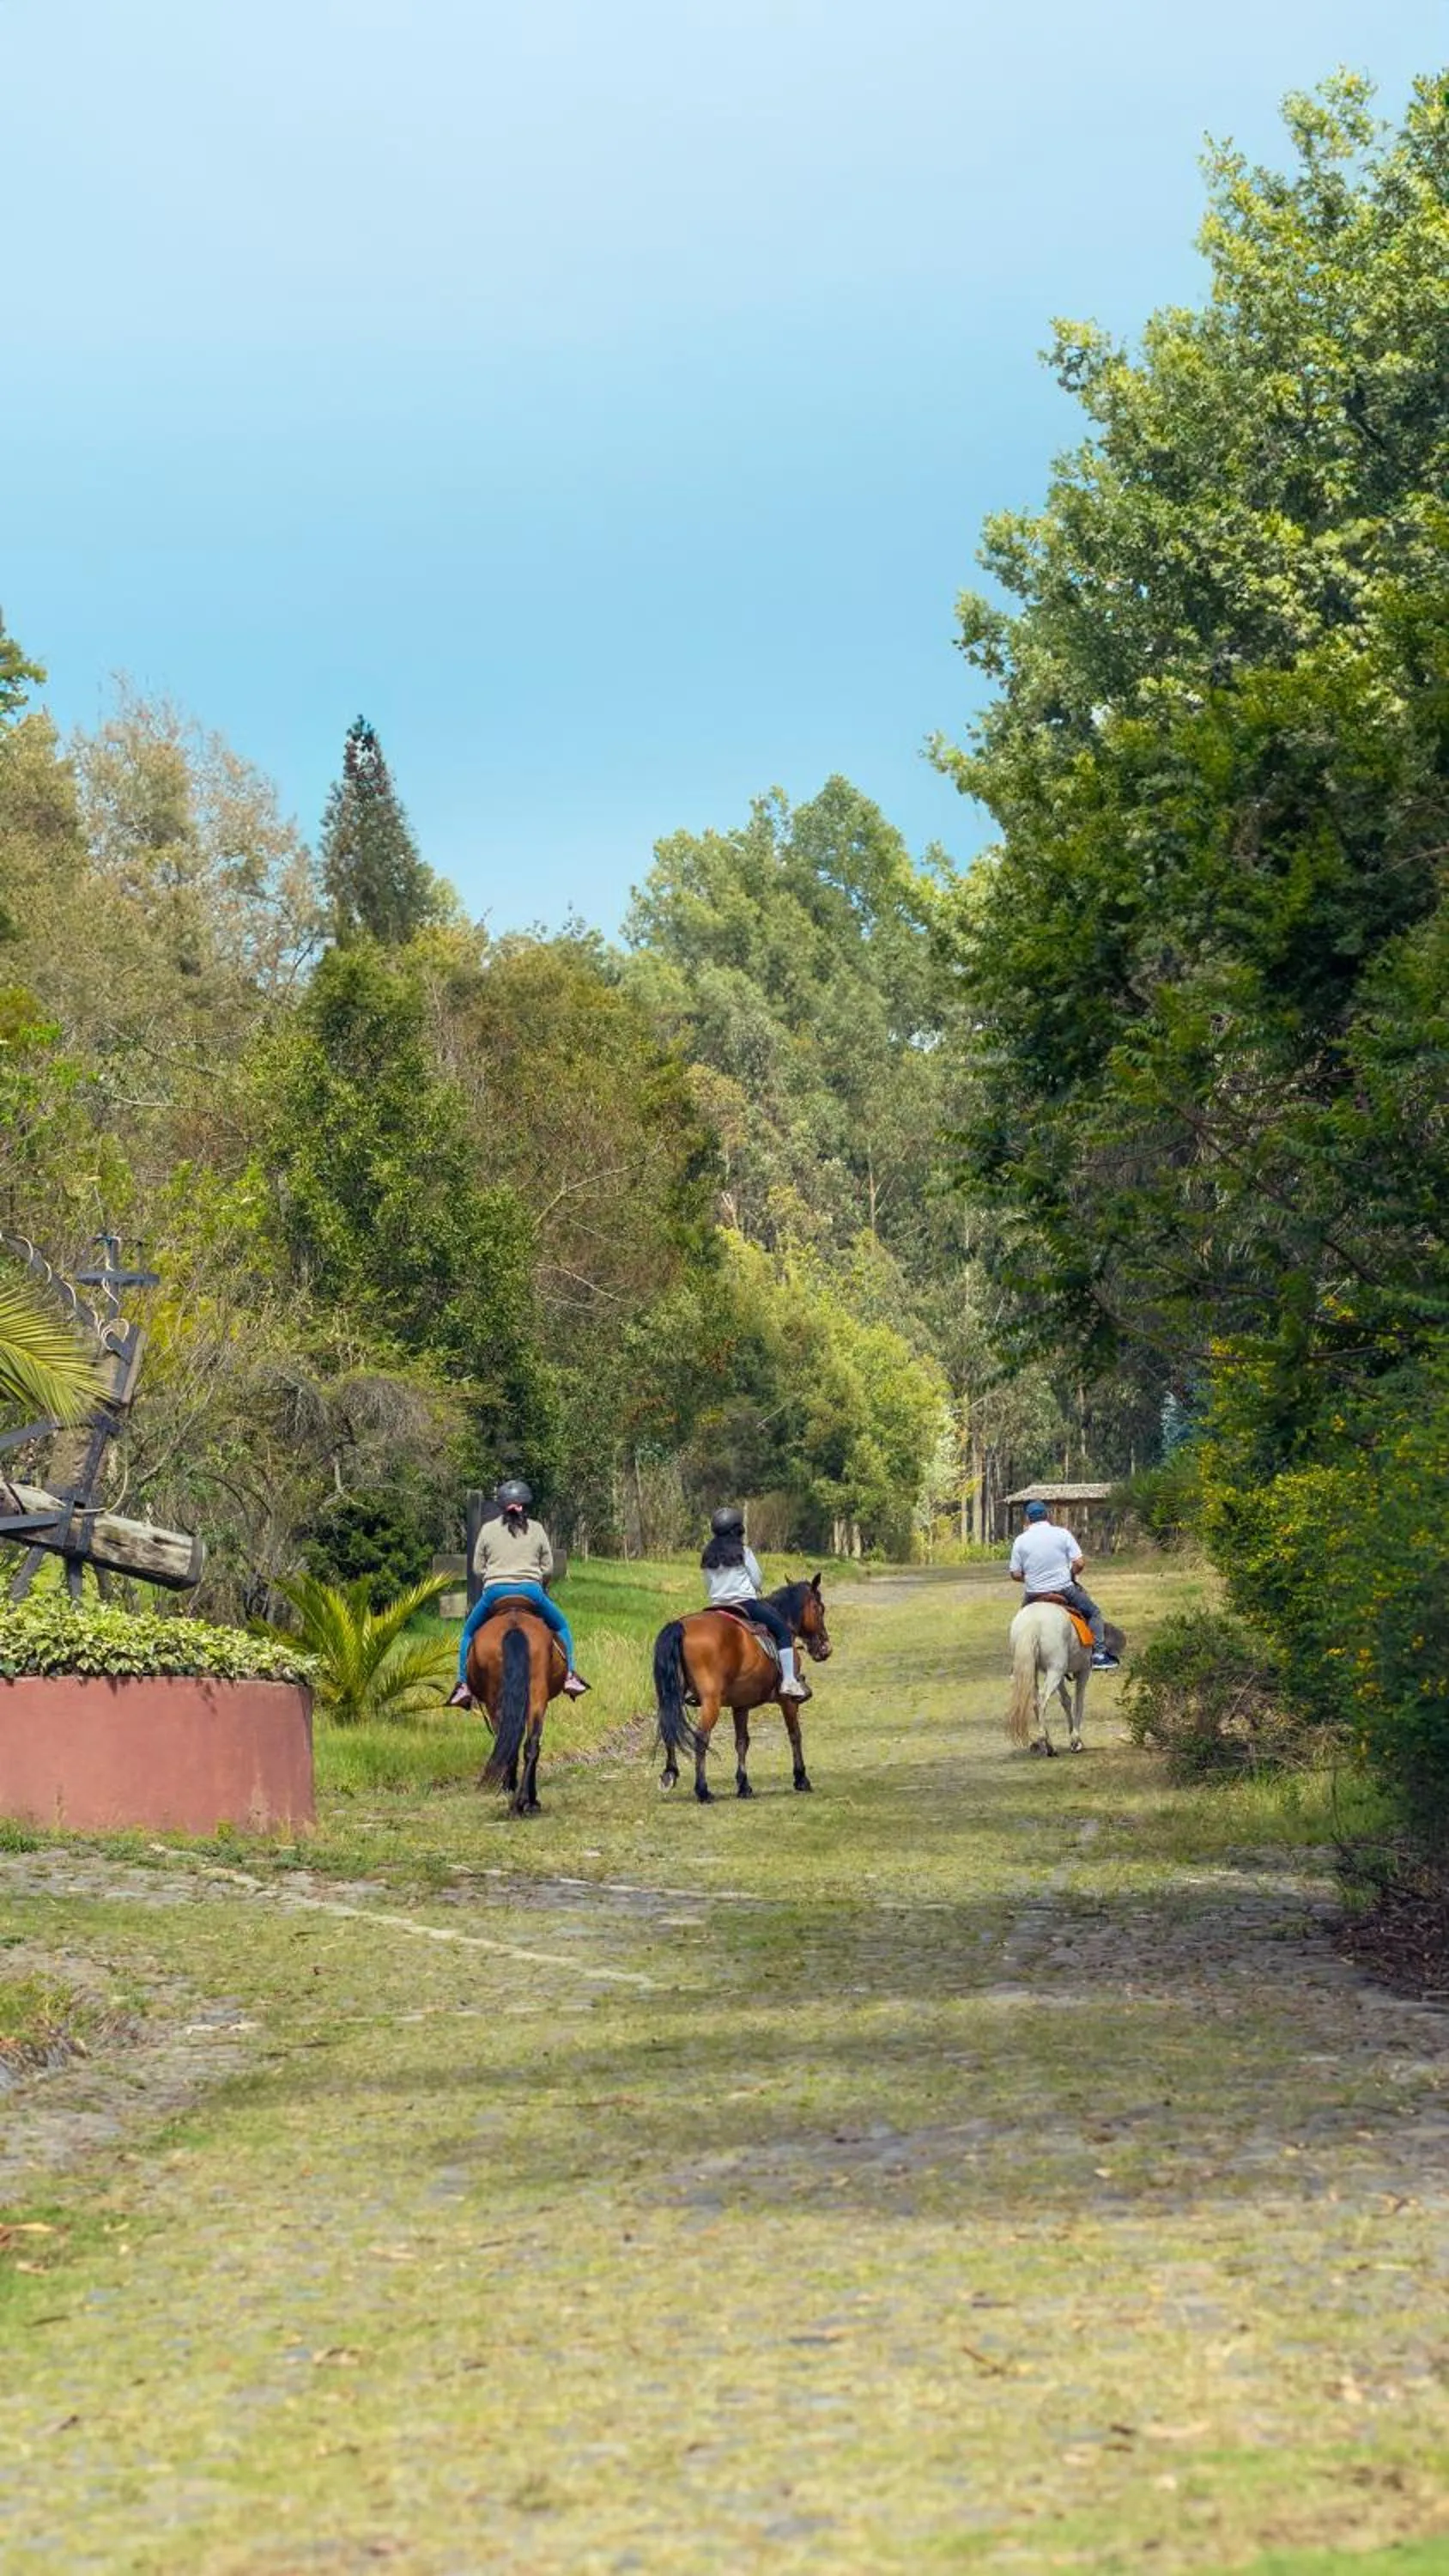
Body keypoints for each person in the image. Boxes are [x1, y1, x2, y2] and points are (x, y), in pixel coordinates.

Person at [447, 1479, 589, 1706]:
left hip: (495, 1594)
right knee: (562, 1626)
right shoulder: (537, 1529)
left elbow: (476, 1568)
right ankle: (570, 1676)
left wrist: (493, 1576)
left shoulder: (487, 1529)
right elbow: (549, 1568)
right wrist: (538, 1578)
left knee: (467, 1632)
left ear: (502, 1506)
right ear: (526, 1504)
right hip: (531, 1592)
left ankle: (463, 1685)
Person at [700, 1506, 808, 1698]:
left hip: (715, 1607)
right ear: (737, 1529)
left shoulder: (707, 1555)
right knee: (782, 1630)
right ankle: (789, 1681)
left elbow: (708, 1584)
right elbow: (757, 1580)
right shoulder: (744, 1552)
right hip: (745, 1605)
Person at [1008, 1499, 1120, 1669]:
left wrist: (1031, 1578)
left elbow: (1015, 1574)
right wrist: (1071, 1573)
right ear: (1047, 1515)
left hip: (1034, 1593)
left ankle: (1017, 1663)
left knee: (1020, 1622)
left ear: (1028, 1519)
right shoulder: (1062, 1534)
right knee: (1094, 1613)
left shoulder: (1020, 1540)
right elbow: (1080, 1563)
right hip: (1064, 1589)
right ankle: (1099, 1653)